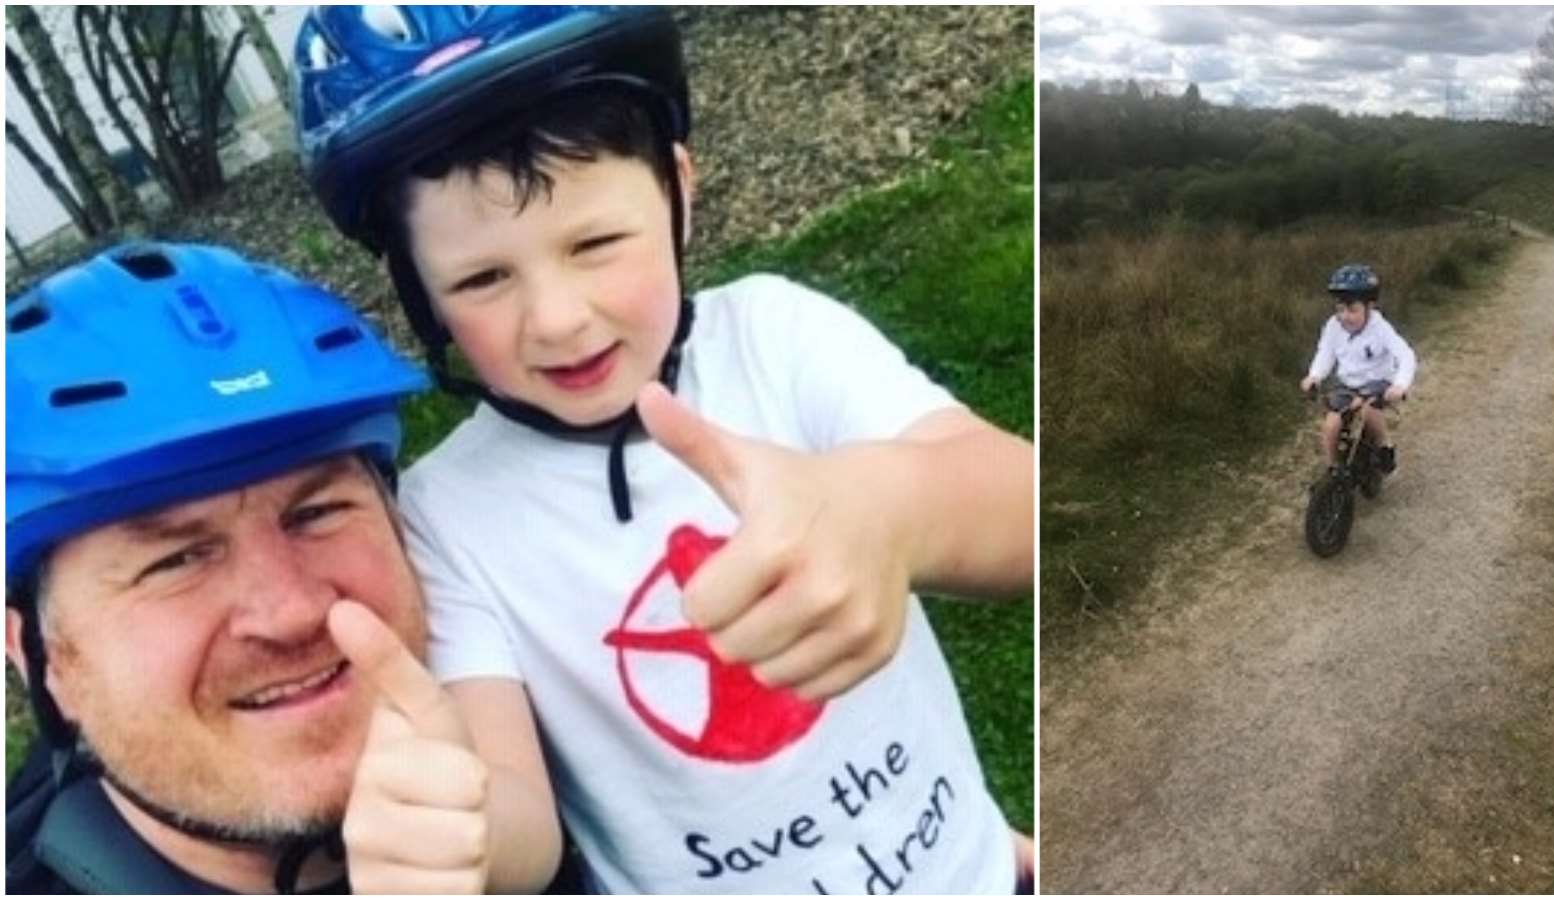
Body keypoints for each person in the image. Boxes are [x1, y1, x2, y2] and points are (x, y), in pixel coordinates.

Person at [294, 6, 1035, 894]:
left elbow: (1024, 508)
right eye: (483, 279)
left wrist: (894, 509)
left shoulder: (777, 338)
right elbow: (523, 819)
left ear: (679, 193)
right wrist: (468, 826)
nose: (559, 318)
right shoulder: (448, 517)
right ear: (419, 295)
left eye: (597, 242)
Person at [3, 242, 572, 893]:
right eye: (175, 560)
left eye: (318, 513)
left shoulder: (544, 733)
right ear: (42, 659)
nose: (293, 610)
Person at [1299, 263, 1418, 473]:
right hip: (1348, 385)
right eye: (1340, 310)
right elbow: (1325, 353)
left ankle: (1384, 446)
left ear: (1369, 307)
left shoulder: (1380, 328)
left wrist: (1400, 385)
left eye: (1353, 310)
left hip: (1378, 383)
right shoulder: (1333, 326)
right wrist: (1314, 376)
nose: (1346, 316)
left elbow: (1406, 355)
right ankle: (1333, 468)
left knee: (1367, 408)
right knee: (1331, 424)